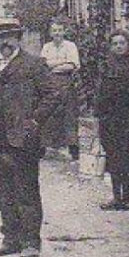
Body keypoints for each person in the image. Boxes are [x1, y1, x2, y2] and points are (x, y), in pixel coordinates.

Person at [0, 19, 51, 257]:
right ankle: (11, 238)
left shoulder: (34, 65)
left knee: (26, 189)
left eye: (9, 37)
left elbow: (53, 95)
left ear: (18, 38)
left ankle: (30, 241)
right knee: (2, 190)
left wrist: (34, 121)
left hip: (22, 138)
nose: (4, 42)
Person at [93, 29, 129, 211]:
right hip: (109, 118)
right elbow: (100, 93)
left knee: (128, 156)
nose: (119, 46)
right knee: (112, 157)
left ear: (128, 45)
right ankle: (116, 197)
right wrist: (97, 117)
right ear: (111, 47)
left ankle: (126, 198)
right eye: (115, 44)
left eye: (122, 43)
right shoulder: (106, 65)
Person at [40, 20, 83, 162]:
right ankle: (46, 147)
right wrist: (61, 63)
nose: (57, 33)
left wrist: (54, 66)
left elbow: (72, 65)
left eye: (59, 30)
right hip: (50, 85)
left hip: (66, 83)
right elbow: (43, 65)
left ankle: (73, 148)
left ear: (64, 32)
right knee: (49, 114)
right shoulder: (46, 47)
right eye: (54, 31)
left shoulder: (70, 46)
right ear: (50, 33)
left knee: (69, 116)